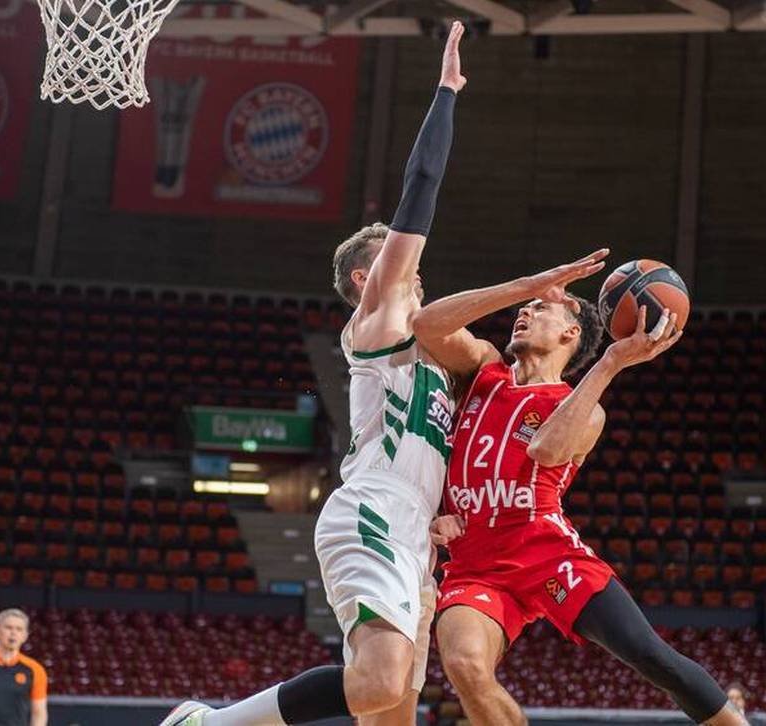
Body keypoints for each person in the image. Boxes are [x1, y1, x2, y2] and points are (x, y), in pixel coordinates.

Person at [159, 21, 468, 726]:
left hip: (414, 531)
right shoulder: (378, 321)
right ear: (367, 277)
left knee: (390, 709)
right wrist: (446, 92)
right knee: (379, 681)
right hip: (374, 512)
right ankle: (210, 724)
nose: (417, 272)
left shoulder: (430, 361)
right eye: (400, 263)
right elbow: (421, 186)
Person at [415, 257, 749, 726]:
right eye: (527, 307)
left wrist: (612, 361)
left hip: (547, 553)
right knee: (465, 666)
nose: (525, 311)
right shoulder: (484, 369)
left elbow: (546, 449)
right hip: (475, 565)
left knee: (651, 657)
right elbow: (426, 324)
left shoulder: (585, 409)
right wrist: (527, 285)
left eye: (541, 308)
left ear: (571, 333)